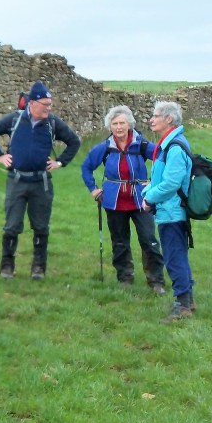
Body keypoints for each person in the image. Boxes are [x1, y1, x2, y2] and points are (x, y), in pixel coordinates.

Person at [0, 80, 81, 280]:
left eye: (50, 104)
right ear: (33, 103)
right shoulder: (15, 120)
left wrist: (60, 162)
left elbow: (74, 141)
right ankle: (7, 265)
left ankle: (38, 267)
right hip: (16, 180)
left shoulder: (52, 123)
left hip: (41, 183)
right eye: (45, 104)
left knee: (41, 226)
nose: (49, 108)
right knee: (11, 225)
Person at [80, 105, 165, 293]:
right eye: (115, 123)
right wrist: (94, 190)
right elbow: (86, 167)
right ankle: (124, 277)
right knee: (119, 241)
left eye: (122, 123)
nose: (118, 127)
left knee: (149, 239)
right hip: (114, 201)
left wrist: (155, 183)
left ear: (130, 124)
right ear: (110, 126)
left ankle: (156, 280)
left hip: (141, 200)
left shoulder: (141, 144)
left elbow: (162, 158)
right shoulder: (104, 148)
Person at [141, 101, 197, 323]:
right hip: (170, 210)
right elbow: (162, 179)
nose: (151, 120)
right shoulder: (169, 144)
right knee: (178, 255)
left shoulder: (174, 147)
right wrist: (150, 188)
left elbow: (172, 183)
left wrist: (149, 198)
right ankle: (188, 300)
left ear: (169, 120)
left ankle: (182, 306)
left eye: (155, 116)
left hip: (172, 212)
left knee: (174, 258)